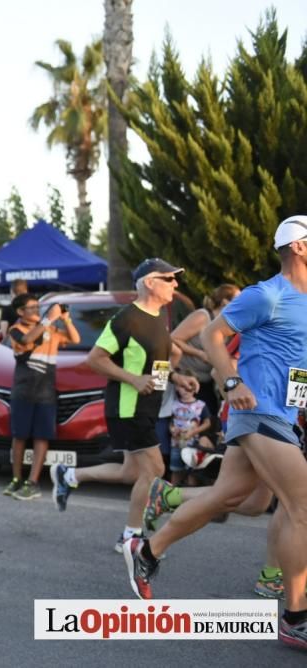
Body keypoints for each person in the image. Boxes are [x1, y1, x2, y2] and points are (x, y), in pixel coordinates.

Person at [122, 217, 307, 650]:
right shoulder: (269, 293)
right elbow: (212, 333)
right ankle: (296, 615)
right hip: (256, 409)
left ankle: (146, 552)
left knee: (234, 497)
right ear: (298, 246)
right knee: (303, 503)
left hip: (282, 414)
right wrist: (229, 381)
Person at [51, 258, 198, 552]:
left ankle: (69, 475)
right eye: (169, 279)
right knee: (154, 469)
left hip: (147, 406)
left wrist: (175, 378)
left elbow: (153, 364)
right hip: (127, 408)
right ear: (149, 282)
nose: (175, 284)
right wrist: (132, 379)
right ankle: (130, 537)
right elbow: (95, 359)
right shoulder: (126, 318)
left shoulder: (159, 317)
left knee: (132, 472)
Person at [3, 294, 79, 499]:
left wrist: (66, 320)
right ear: (20, 312)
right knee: (19, 436)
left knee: (41, 436)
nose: (37, 310)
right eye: (32, 307)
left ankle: (33, 481)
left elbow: (75, 339)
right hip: (23, 391)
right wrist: (48, 319)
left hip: (46, 392)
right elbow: (27, 340)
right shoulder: (15, 329)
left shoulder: (51, 329)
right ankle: (16, 478)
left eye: (38, 306)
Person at [170, 283, 241, 424]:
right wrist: (200, 354)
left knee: (209, 418)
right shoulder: (203, 316)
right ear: (225, 301)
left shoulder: (229, 326)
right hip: (185, 377)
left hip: (206, 380)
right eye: (237, 299)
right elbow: (173, 338)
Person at [167, 373, 212, 486]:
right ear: (177, 387)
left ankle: (190, 495)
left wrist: (193, 432)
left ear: (196, 387)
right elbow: (171, 422)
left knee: (192, 472)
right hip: (176, 444)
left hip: (193, 445)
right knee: (176, 470)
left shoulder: (200, 405)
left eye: (190, 386)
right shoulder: (174, 404)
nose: (186, 389)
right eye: (183, 386)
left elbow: (207, 423)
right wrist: (172, 429)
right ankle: (170, 492)